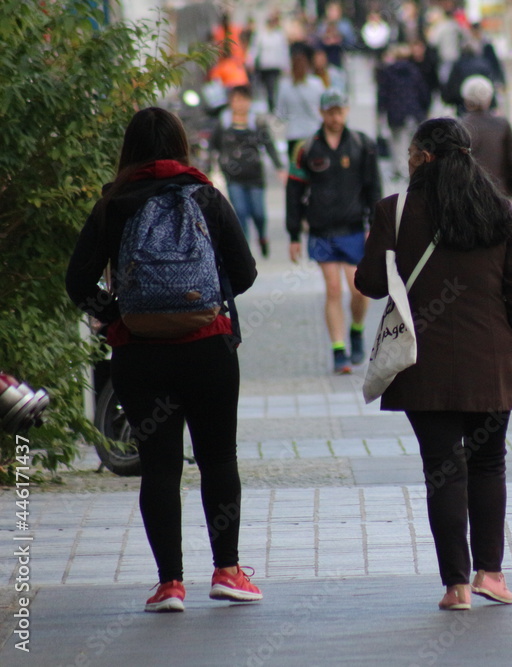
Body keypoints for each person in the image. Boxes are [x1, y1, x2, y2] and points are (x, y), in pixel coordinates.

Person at [65, 107, 261, 612]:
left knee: (159, 468)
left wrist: (116, 317)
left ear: (129, 150)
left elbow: (77, 283)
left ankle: (170, 584)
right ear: (180, 146)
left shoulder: (114, 204)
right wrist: (204, 296)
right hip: (208, 346)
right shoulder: (206, 196)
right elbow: (245, 272)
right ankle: (228, 571)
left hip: (140, 354)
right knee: (219, 459)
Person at [355, 117, 512, 611]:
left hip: (423, 364)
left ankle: (456, 586)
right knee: (488, 464)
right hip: (492, 361)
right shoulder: (497, 209)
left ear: (425, 158)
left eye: (412, 152)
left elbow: (370, 283)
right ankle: (492, 574)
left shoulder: (395, 211)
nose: (407, 159)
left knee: (442, 469)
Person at [286, 88, 382, 374]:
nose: (335, 116)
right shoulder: (306, 148)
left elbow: (373, 189)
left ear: (347, 111)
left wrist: (375, 227)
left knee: (358, 290)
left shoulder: (362, 145)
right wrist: (293, 235)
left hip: (353, 227)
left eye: (339, 111)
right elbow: (294, 191)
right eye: (330, 112)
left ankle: (356, 329)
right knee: (332, 289)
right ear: (322, 113)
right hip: (321, 229)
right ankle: (339, 349)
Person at [210, 85, 285, 259]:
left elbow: (269, 146)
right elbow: (214, 146)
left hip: (255, 175)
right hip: (233, 176)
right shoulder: (224, 122)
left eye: (243, 99)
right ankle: (245, 251)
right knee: (241, 212)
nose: (240, 104)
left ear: (250, 102)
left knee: (258, 212)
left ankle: (262, 236)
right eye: (236, 100)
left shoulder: (257, 123)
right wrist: (215, 164)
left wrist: (279, 167)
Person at [376, 44, 430, 181]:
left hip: (394, 112)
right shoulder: (414, 71)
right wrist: (423, 109)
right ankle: (409, 168)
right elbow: (423, 92)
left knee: (395, 141)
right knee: (410, 141)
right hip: (412, 111)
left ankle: (397, 168)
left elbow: (383, 93)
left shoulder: (388, 72)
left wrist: (381, 110)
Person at [460, 76, 512, 197]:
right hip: (497, 191)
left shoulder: (458, 127)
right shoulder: (502, 125)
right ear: (489, 98)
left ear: (466, 99)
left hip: (467, 193)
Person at [275, 42, 325, 162]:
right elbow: (324, 108)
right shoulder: (317, 84)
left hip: (293, 134)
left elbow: (280, 114)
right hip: (314, 133)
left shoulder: (284, 85)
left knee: (297, 173)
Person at [248, 9, 291, 113]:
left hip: (275, 67)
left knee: (275, 89)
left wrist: (287, 66)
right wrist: (250, 62)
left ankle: (275, 109)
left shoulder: (279, 35)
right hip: (264, 67)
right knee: (264, 90)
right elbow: (254, 49)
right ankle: (266, 109)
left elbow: (284, 51)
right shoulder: (261, 34)